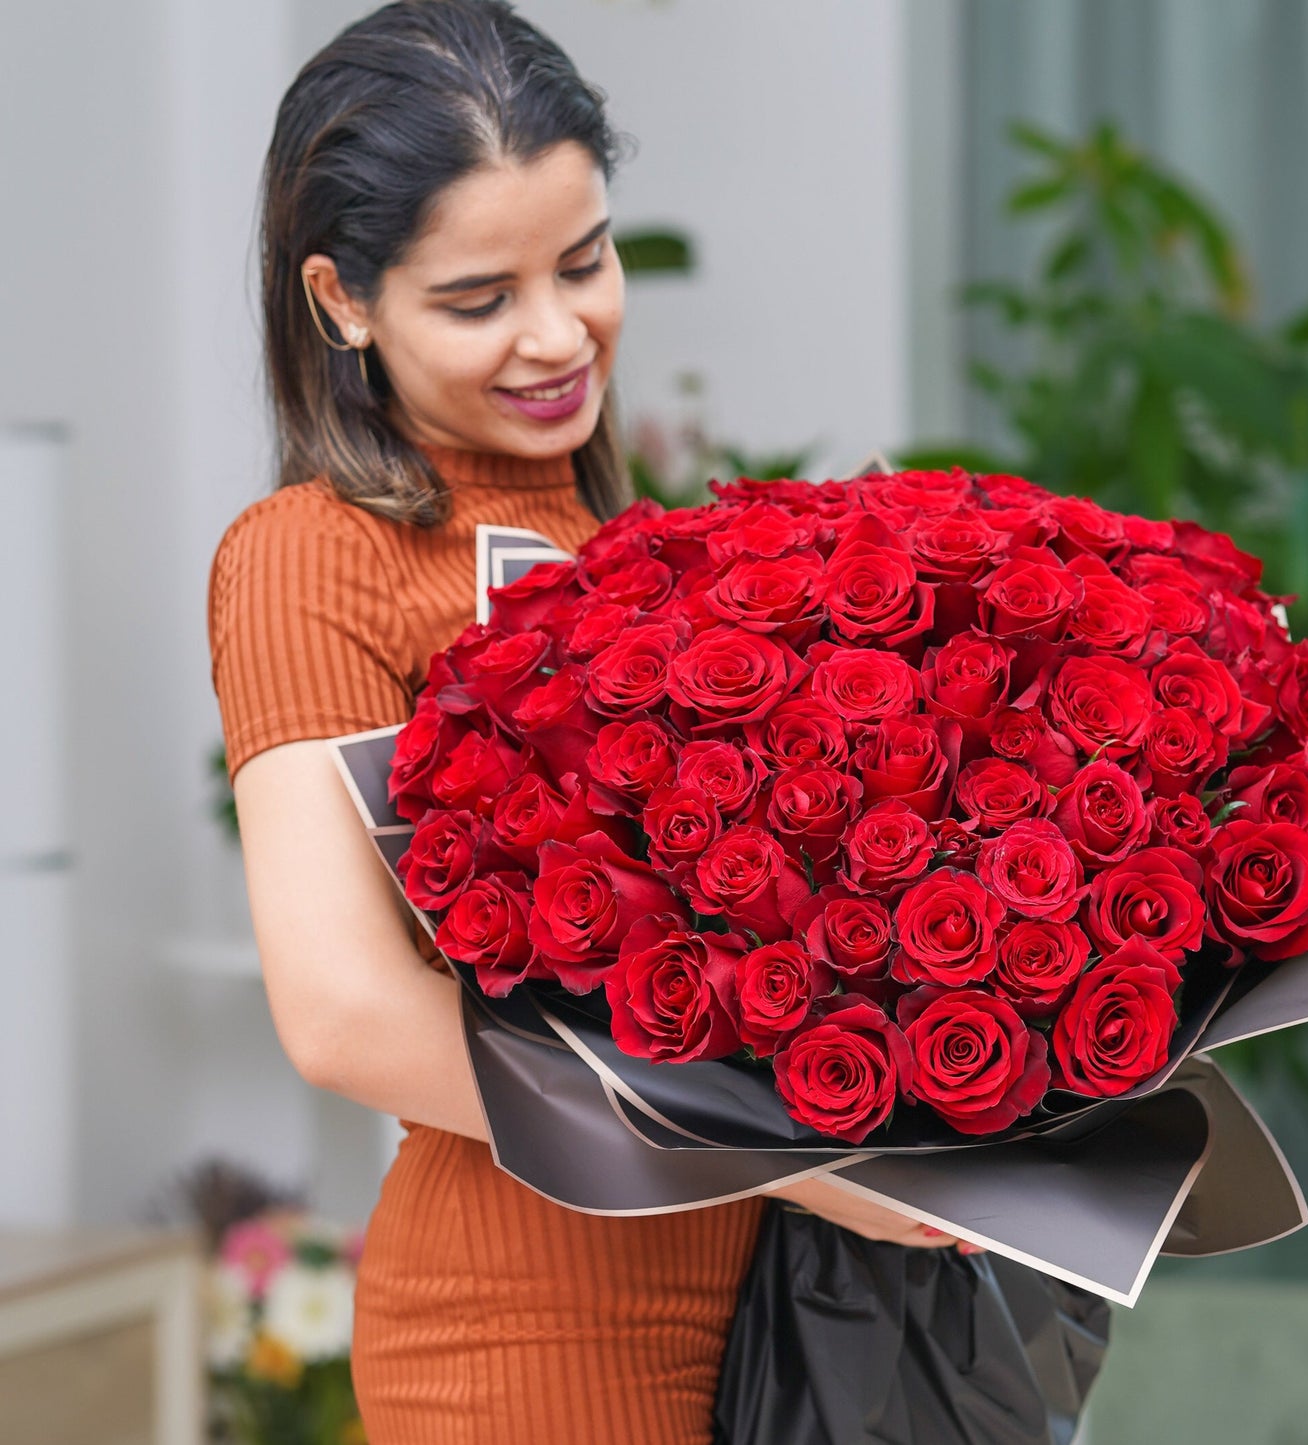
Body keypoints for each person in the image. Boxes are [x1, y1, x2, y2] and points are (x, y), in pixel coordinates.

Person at [209, 4, 973, 1439]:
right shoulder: (315, 552)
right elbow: (345, 1018)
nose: (557, 335)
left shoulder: (635, 543)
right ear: (341, 297)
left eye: (584, 261)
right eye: (478, 298)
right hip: (523, 1326)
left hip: (758, 1316)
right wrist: (788, 1159)